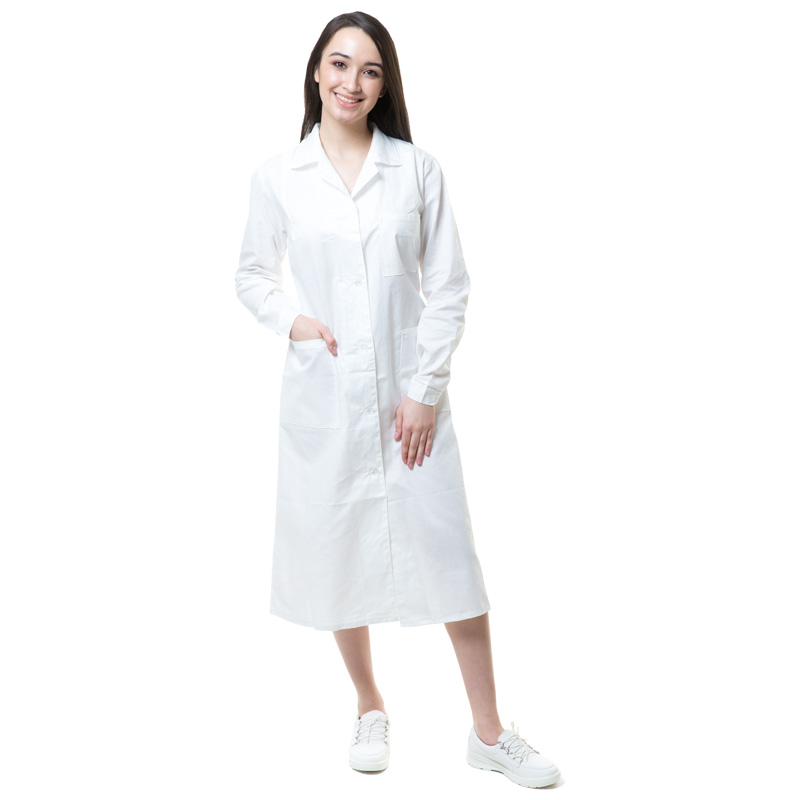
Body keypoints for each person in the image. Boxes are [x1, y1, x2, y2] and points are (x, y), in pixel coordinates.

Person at [235, 11, 561, 790]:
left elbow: (449, 287)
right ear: (316, 72)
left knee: (451, 558)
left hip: (413, 407)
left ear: (385, 86)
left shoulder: (416, 170)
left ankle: (488, 731)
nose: (352, 82)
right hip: (325, 399)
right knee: (337, 550)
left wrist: (423, 391)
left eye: (370, 70)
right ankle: (369, 704)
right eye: (339, 63)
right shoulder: (279, 177)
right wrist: (293, 322)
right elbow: (250, 274)